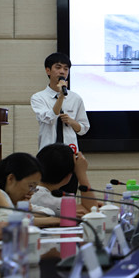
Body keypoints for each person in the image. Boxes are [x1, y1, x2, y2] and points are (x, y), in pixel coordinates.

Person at [31, 52, 89, 193]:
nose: (62, 71)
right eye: (58, 67)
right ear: (48, 70)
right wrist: (61, 97)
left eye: (66, 68)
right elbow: (49, 118)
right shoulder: (38, 98)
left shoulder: (75, 98)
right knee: (46, 197)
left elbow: (84, 128)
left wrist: (73, 122)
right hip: (47, 157)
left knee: (69, 198)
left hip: (70, 157)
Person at [0, 152, 57, 226]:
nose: (32, 192)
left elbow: (49, 212)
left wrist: (25, 214)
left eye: (34, 188)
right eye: (30, 186)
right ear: (11, 179)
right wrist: (56, 221)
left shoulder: (16, 201)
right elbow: (7, 222)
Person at [30, 143, 98, 216]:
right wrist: (81, 173)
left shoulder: (34, 191)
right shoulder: (46, 198)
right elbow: (91, 211)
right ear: (68, 175)